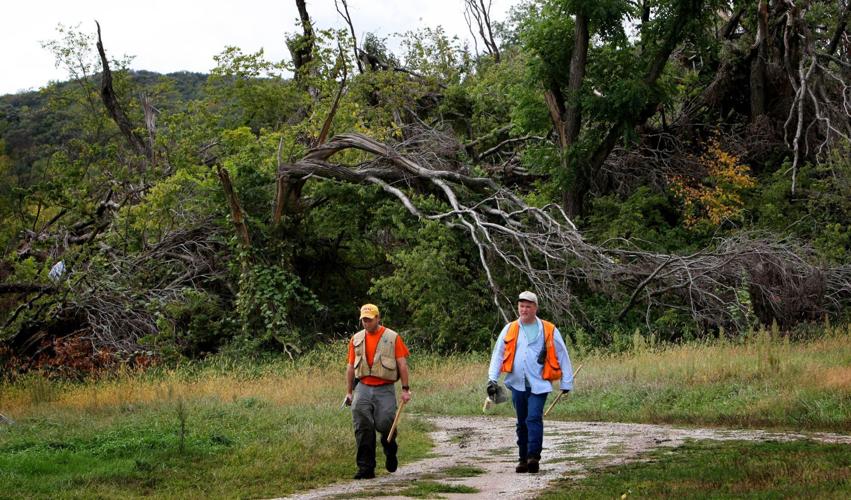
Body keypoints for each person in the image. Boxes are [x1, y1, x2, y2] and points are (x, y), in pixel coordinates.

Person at [487, 291, 573, 474]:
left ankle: (534, 456)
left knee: (533, 418)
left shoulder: (548, 329)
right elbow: (498, 354)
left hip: (539, 383)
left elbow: (562, 354)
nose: (524, 310)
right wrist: (492, 379)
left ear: (535, 308)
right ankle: (522, 458)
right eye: (521, 306)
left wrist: (567, 383)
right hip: (517, 383)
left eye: (528, 306)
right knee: (521, 422)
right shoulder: (509, 328)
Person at [344, 303, 412, 479]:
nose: (366, 323)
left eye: (369, 319)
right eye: (363, 320)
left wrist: (405, 389)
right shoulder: (356, 339)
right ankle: (366, 468)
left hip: (385, 388)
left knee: (386, 423)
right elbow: (350, 367)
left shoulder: (392, 337)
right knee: (362, 427)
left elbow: (402, 364)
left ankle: (389, 448)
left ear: (378, 318)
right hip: (363, 387)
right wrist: (349, 392)